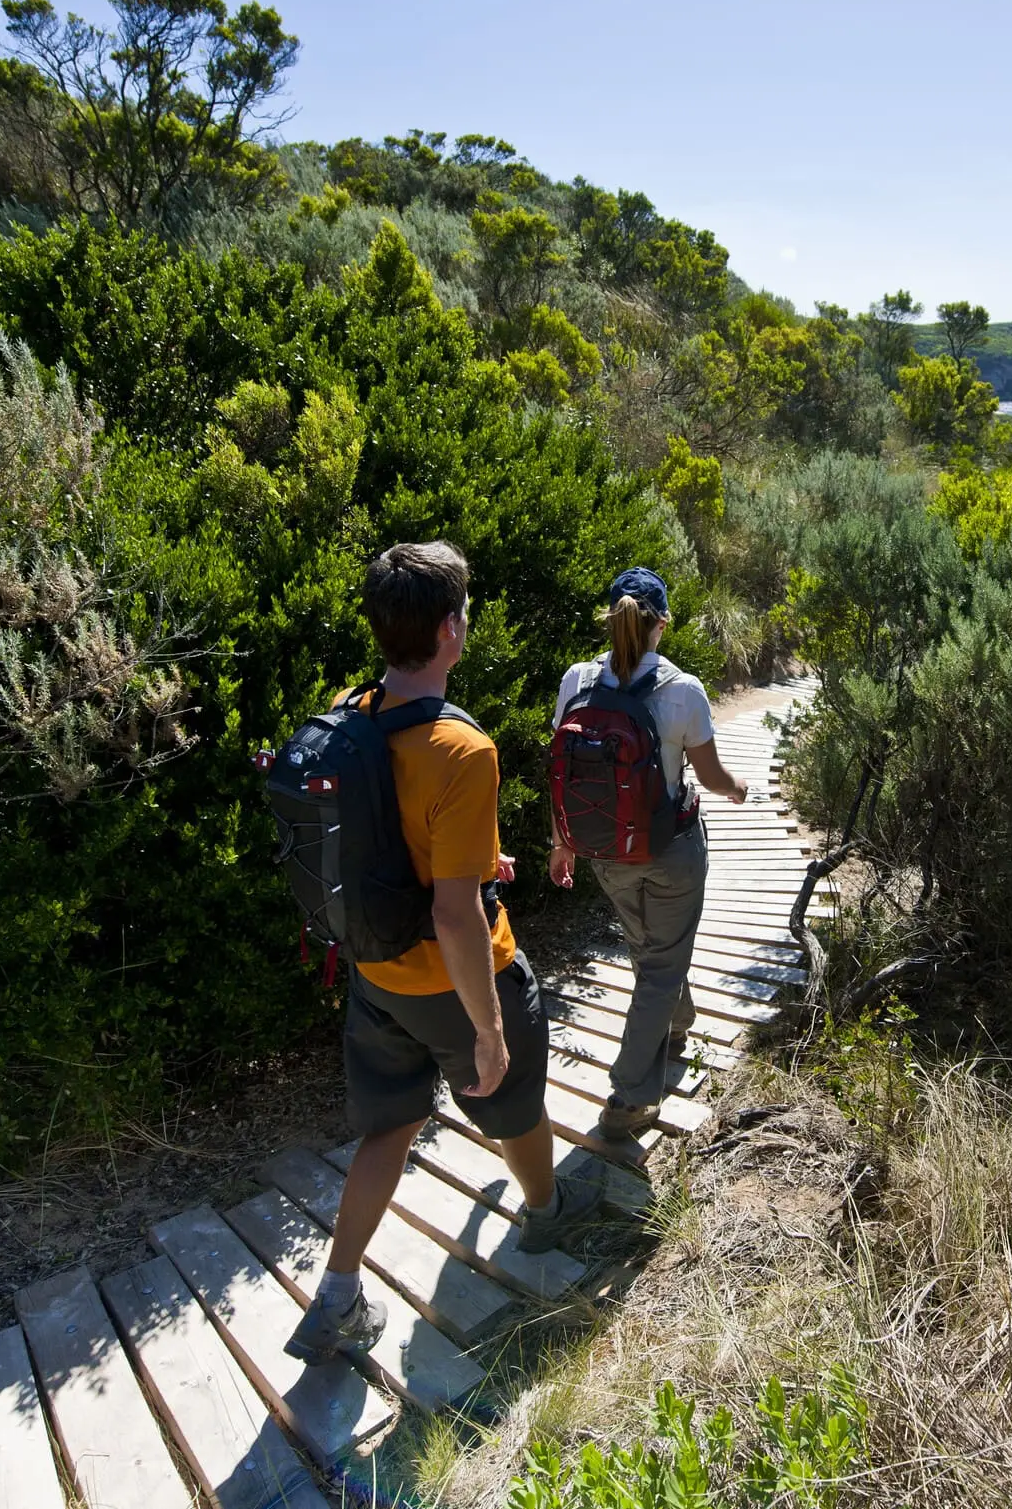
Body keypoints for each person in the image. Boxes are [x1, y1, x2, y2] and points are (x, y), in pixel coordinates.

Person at [284, 540, 602, 1363]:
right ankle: (546, 1210)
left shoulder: (349, 709)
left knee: (390, 1124)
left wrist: (479, 858)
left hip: (374, 971)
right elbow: (455, 915)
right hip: (454, 980)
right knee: (512, 1100)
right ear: (451, 629)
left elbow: (383, 833)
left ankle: (336, 1292)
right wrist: (489, 1029)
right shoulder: (464, 749)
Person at [546, 567, 751, 1139]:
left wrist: (560, 843)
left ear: (611, 618)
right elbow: (711, 776)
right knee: (661, 961)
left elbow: (562, 770)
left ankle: (676, 1024)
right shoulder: (682, 690)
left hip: (605, 849)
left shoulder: (578, 681)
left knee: (650, 947)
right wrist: (737, 789)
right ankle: (632, 1099)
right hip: (670, 848)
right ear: (662, 623)